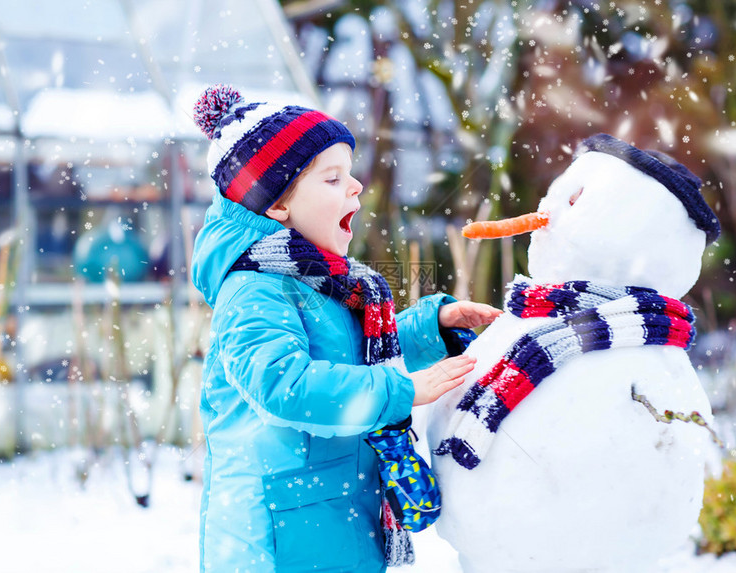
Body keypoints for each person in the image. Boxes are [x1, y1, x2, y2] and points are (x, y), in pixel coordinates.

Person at [190, 84, 502, 573]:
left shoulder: (319, 282)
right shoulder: (253, 291)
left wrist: (427, 330)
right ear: (276, 207)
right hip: (278, 541)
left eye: (350, 174)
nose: (355, 187)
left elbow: (351, 354)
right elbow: (283, 385)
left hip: (334, 520)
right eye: (333, 179)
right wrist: (399, 390)